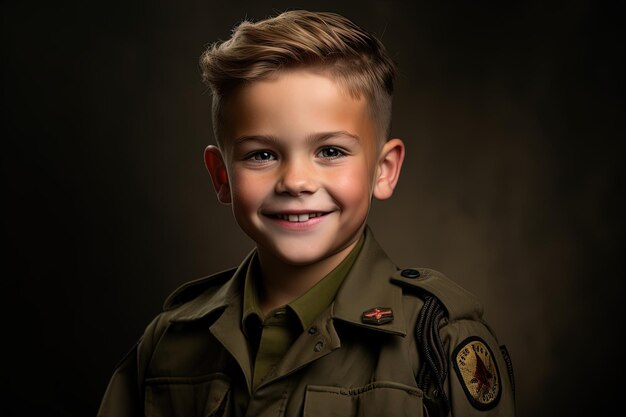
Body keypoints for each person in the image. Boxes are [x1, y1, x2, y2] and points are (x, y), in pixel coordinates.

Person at [98, 10, 515, 417]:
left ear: (383, 171)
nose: (296, 181)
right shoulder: (171, 340)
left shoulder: (435, 342)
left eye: (330, 151)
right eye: (261, 155)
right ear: (221, 176)